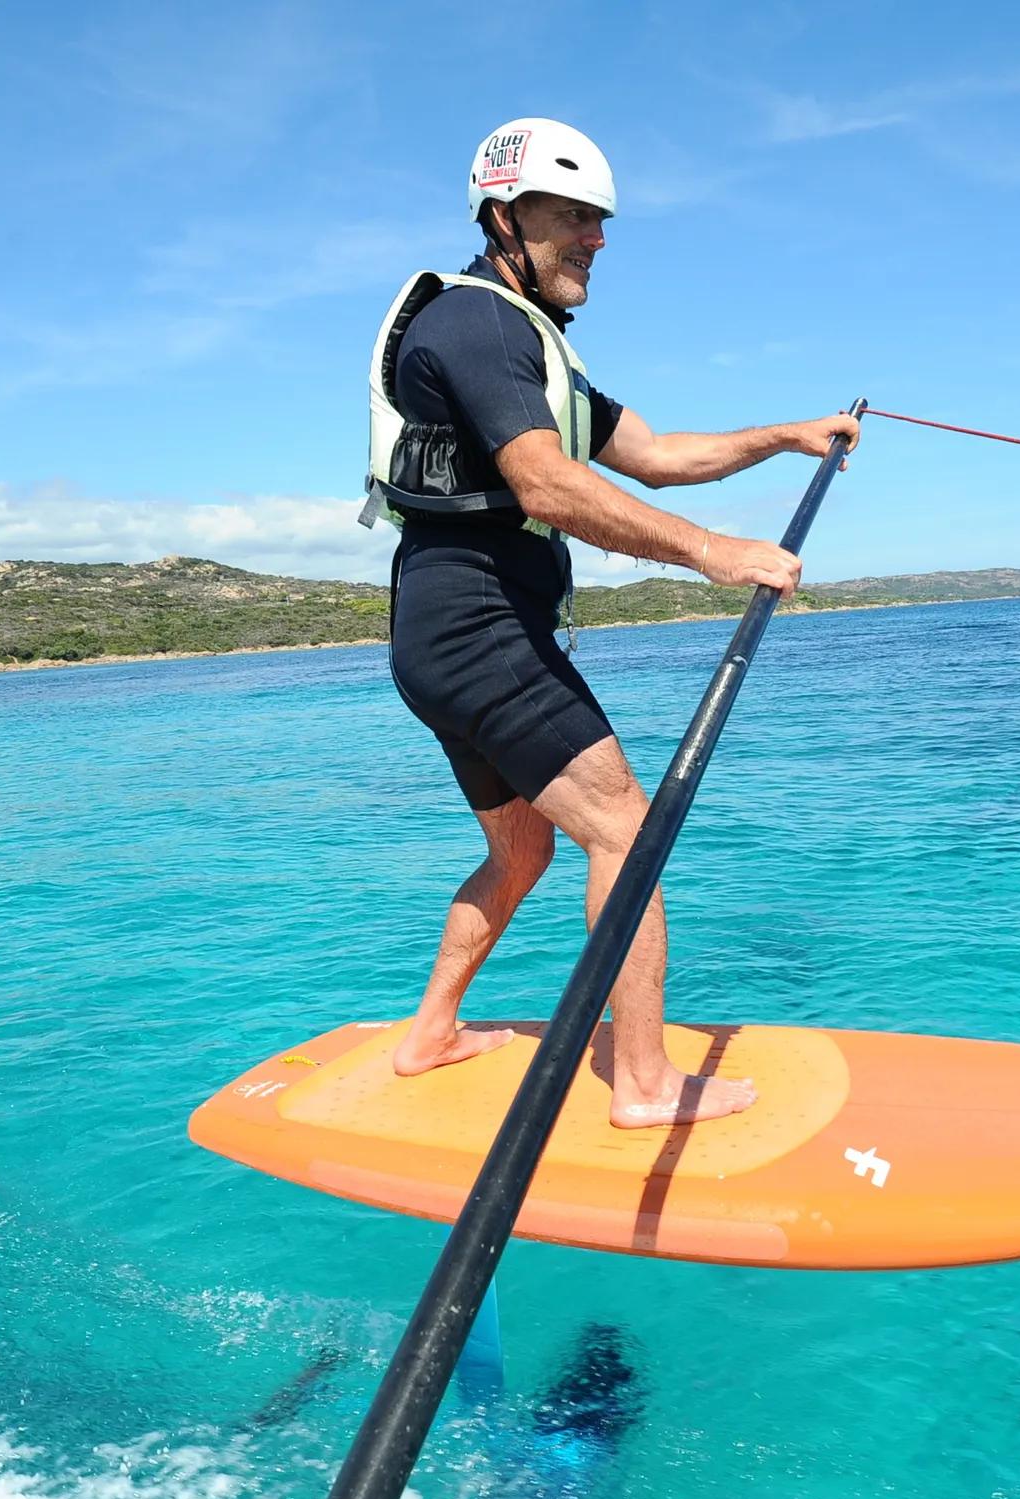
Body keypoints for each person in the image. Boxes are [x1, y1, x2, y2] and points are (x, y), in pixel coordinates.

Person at [367, 117, 859, 1129]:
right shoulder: (479, 324)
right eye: (574, 218)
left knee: (524, 853)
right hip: (476, 627)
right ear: (504, 218)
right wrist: (713, 554)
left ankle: (429, 1037)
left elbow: (658, 452)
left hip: (439, 632)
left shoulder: (525, 346)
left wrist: (784, 436)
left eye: (600, 220)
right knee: (625, 831)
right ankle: (641, 1083)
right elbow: (545, 483)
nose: (596, 238)